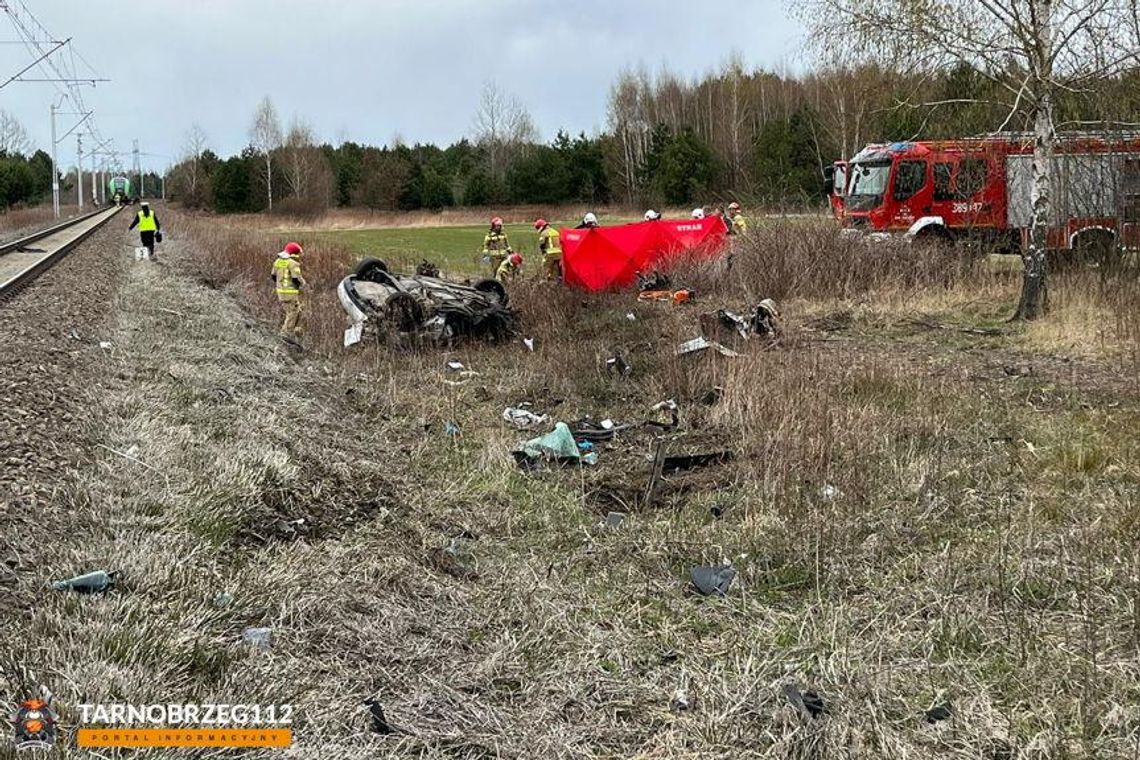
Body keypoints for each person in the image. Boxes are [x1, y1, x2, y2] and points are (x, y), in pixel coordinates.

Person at [272, 242, 307, 346]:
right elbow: (296, 278)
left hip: (281, 292)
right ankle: (285, 335)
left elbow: (273, 276)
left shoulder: (277, 261)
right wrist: (303, 284)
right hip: (290, 293)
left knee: (296, 311)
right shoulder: (293, 263)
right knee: (292, 313)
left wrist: (281, 285)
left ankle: (296, 331)